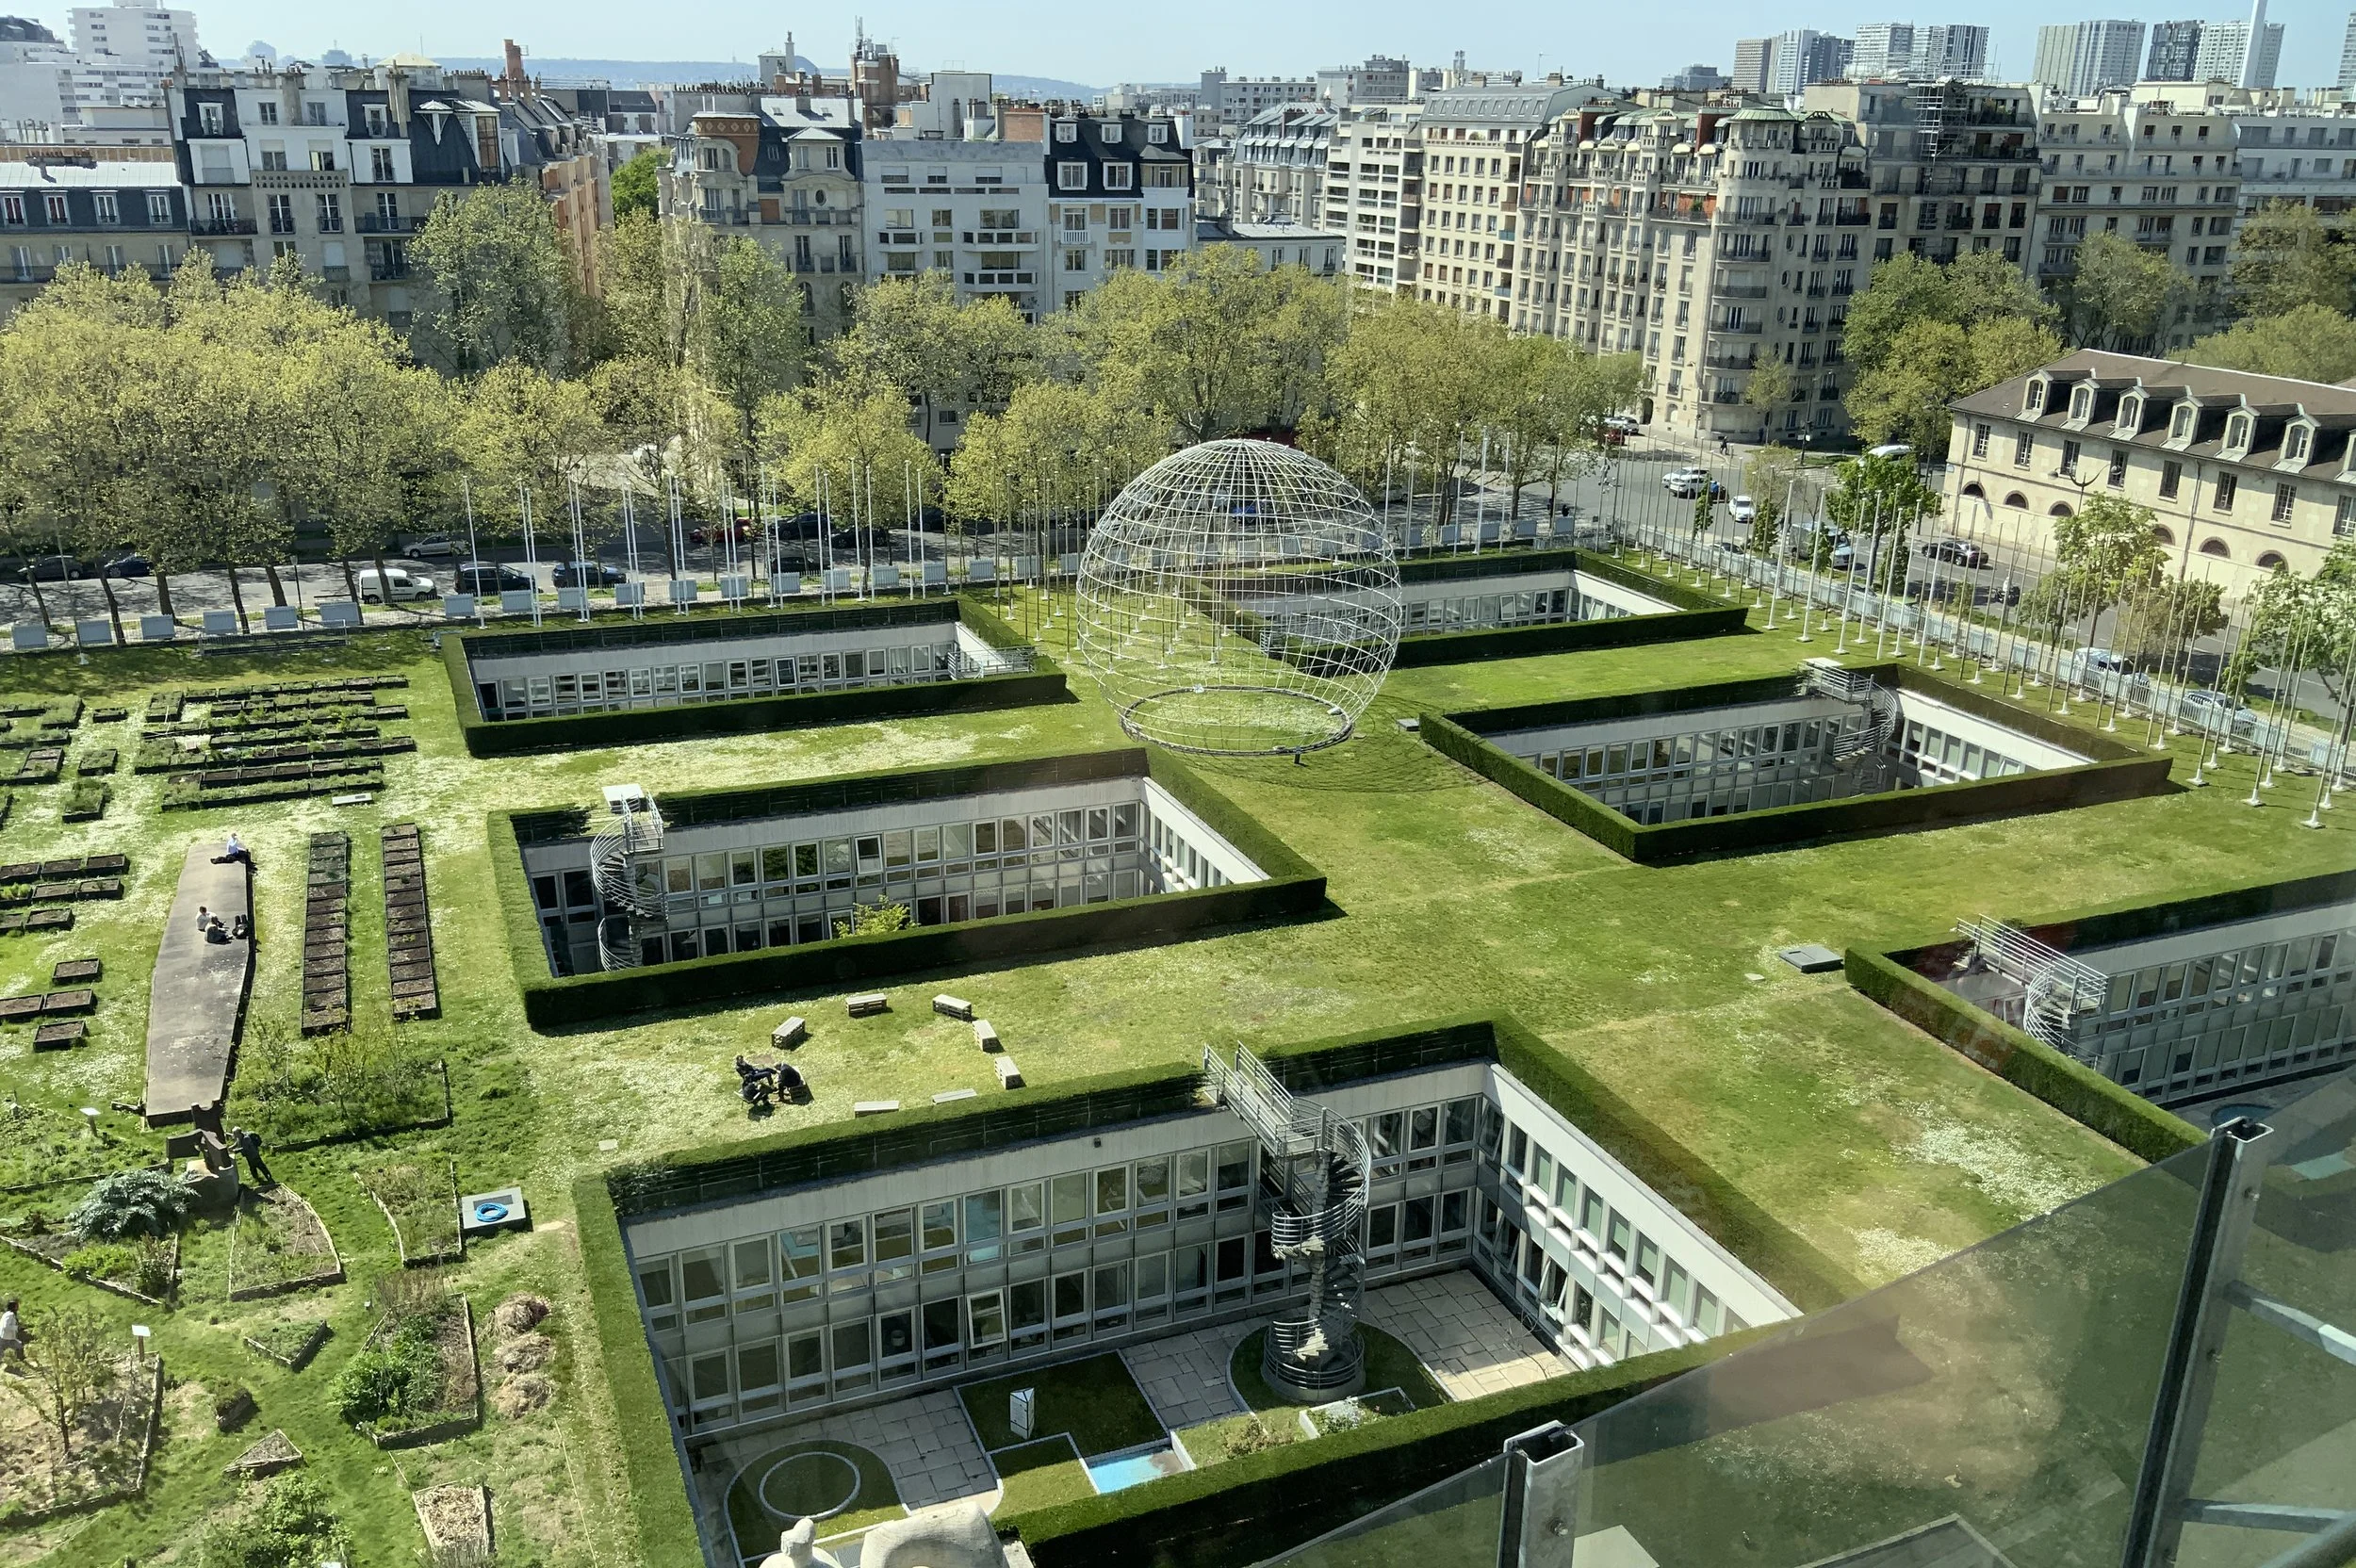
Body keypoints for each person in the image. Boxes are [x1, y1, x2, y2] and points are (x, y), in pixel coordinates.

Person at [0, 1297, 21, 1364]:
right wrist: (16, 1328)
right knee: (19, 1347)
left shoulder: (6, 1314)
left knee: (5, 1353)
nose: (18, 1307)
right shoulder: (10, 1315)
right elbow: (6, 1326)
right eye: (17, 1306)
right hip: (7, 1338)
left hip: (4, 1336)